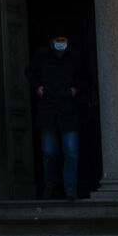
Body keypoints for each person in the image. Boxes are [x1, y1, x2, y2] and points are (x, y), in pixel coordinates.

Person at [25, 31, 88, 198]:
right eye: (58, 39)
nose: (61, 42)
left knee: (71, 151)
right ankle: (50, 185)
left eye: (63, 39)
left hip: (69, 109)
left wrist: (75, 90)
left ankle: (70, 188)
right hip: (48, 109)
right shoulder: (42, 56)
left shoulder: (75, 57)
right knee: (49, 152)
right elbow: (29, 72)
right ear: (52, 40)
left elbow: (86, 78)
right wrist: (38, 88)